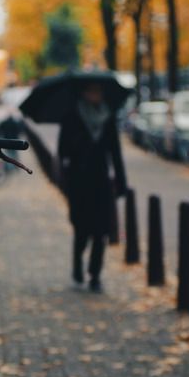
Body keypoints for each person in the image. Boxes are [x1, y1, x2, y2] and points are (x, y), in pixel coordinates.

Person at [58, 82, 128, 292]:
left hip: (101, 182)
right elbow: (62, 151)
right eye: (93, 90)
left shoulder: (108, 117)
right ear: (84, 92)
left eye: (99, 91)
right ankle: (78, 265)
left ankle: (95, 274)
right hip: (79, 182)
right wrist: (78, 144)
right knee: (81, 230)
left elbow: (115, 152)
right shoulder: (72, 117)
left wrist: (121, 181)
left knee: (101, 231)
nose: (97, 94)